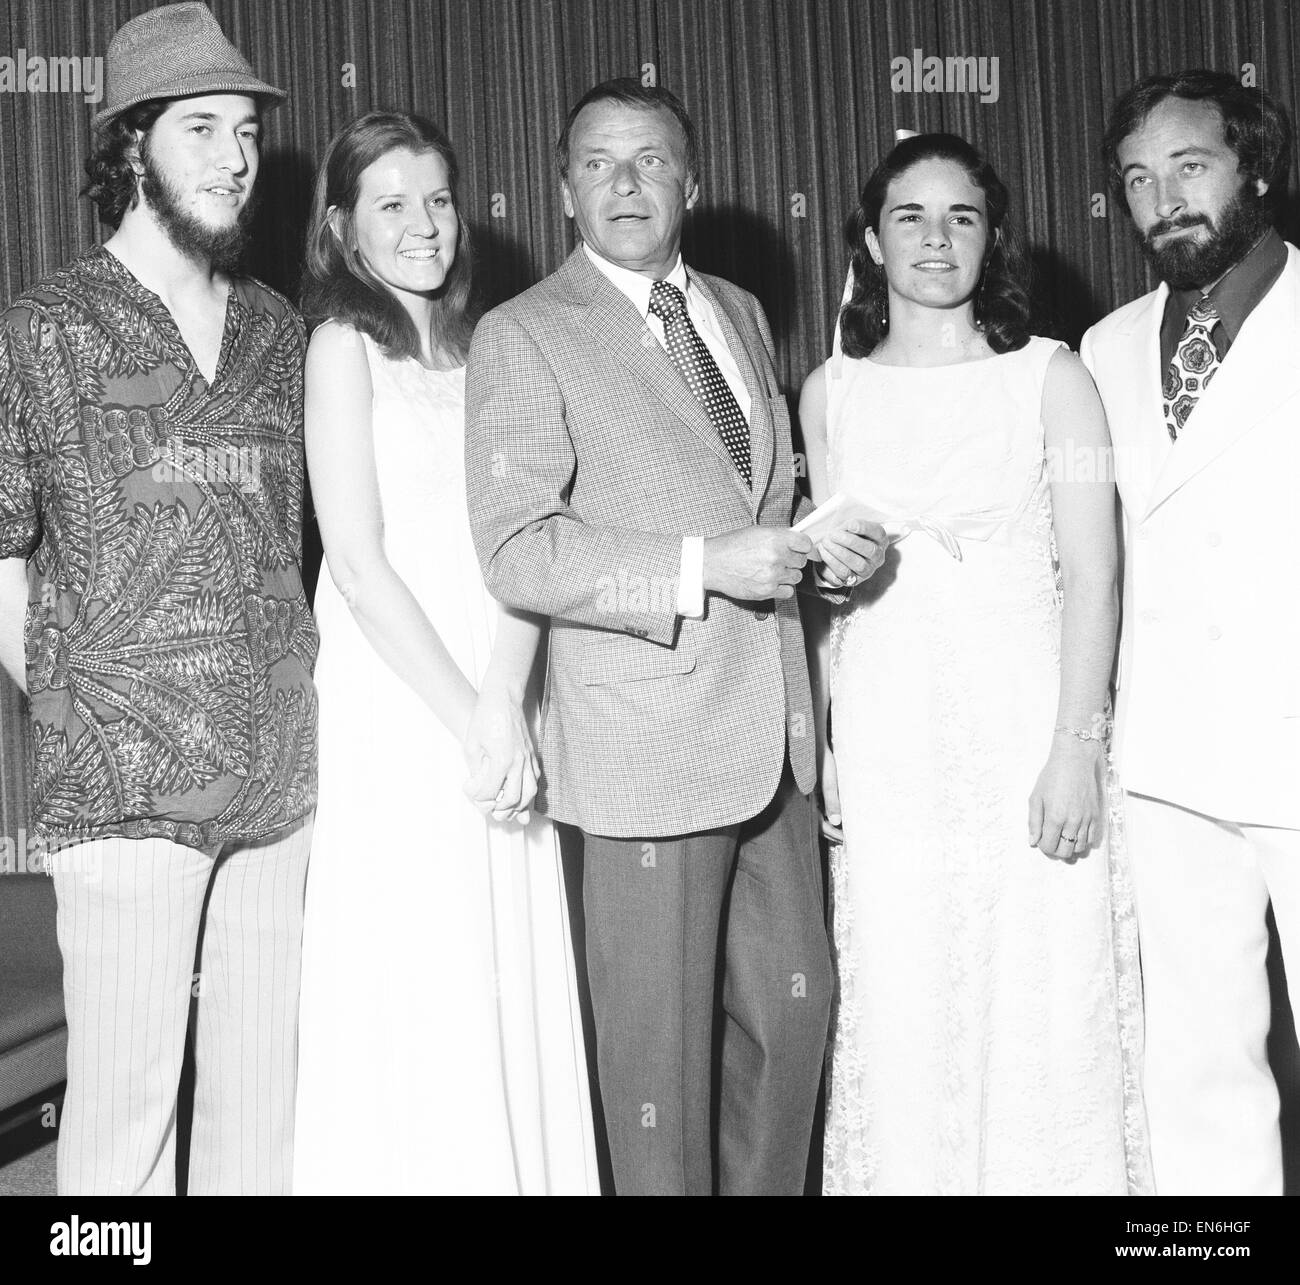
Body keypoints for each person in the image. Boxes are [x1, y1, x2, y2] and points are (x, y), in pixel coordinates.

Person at [464, 78, 886, 1196]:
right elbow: (520, 550)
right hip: (645, 750)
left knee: (795, 1020)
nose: (625, 183)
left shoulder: (739, 310)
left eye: (650, 161)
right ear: (562, 190)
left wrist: (813, 545)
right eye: (597, 163)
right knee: (658, 1073)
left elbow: (752, 500)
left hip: (772, 740)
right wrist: (702, 568)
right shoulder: (522, 334)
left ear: (691, 183)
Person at [0, 3, 316, 1195]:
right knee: (120, 1141)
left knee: (261, 1129)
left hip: (281, 786)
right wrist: (82, 710)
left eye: (243, 130)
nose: (235, 156)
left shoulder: (280, 332)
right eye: (202, 128)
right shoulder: (43, 329)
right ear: (133, 143)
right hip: (123, 792)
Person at [803, 133, 1151, 1195]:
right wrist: (831, 750)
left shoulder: (1054, 378)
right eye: (909, 216)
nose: (934, 239)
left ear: (991, 236)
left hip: (1023, 726)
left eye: (961, 216)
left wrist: (1074, 753)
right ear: (870, 239)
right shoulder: (830, 392)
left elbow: (1095, 574)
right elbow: (826, 590)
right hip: (888, 732)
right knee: (908, 995)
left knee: (1046, 991)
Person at [291, 110, 599, 1195]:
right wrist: (467, 707)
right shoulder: (339, 346)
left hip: (496, 681)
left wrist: (507, 698)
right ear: (341, 230)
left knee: (502, 950)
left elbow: (527, 543)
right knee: (420, 953)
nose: (422, 226)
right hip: (399, 691)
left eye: (435, 199)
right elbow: (361, 563)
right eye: (390, 205)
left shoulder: (494, 350)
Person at [1082, 71, 1299, 1196]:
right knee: (1197, 1063)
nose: (1162, 197)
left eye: (1189, 166)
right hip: (1169, 755)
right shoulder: (1106, 347)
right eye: (1136, 179)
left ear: (1254, 169)